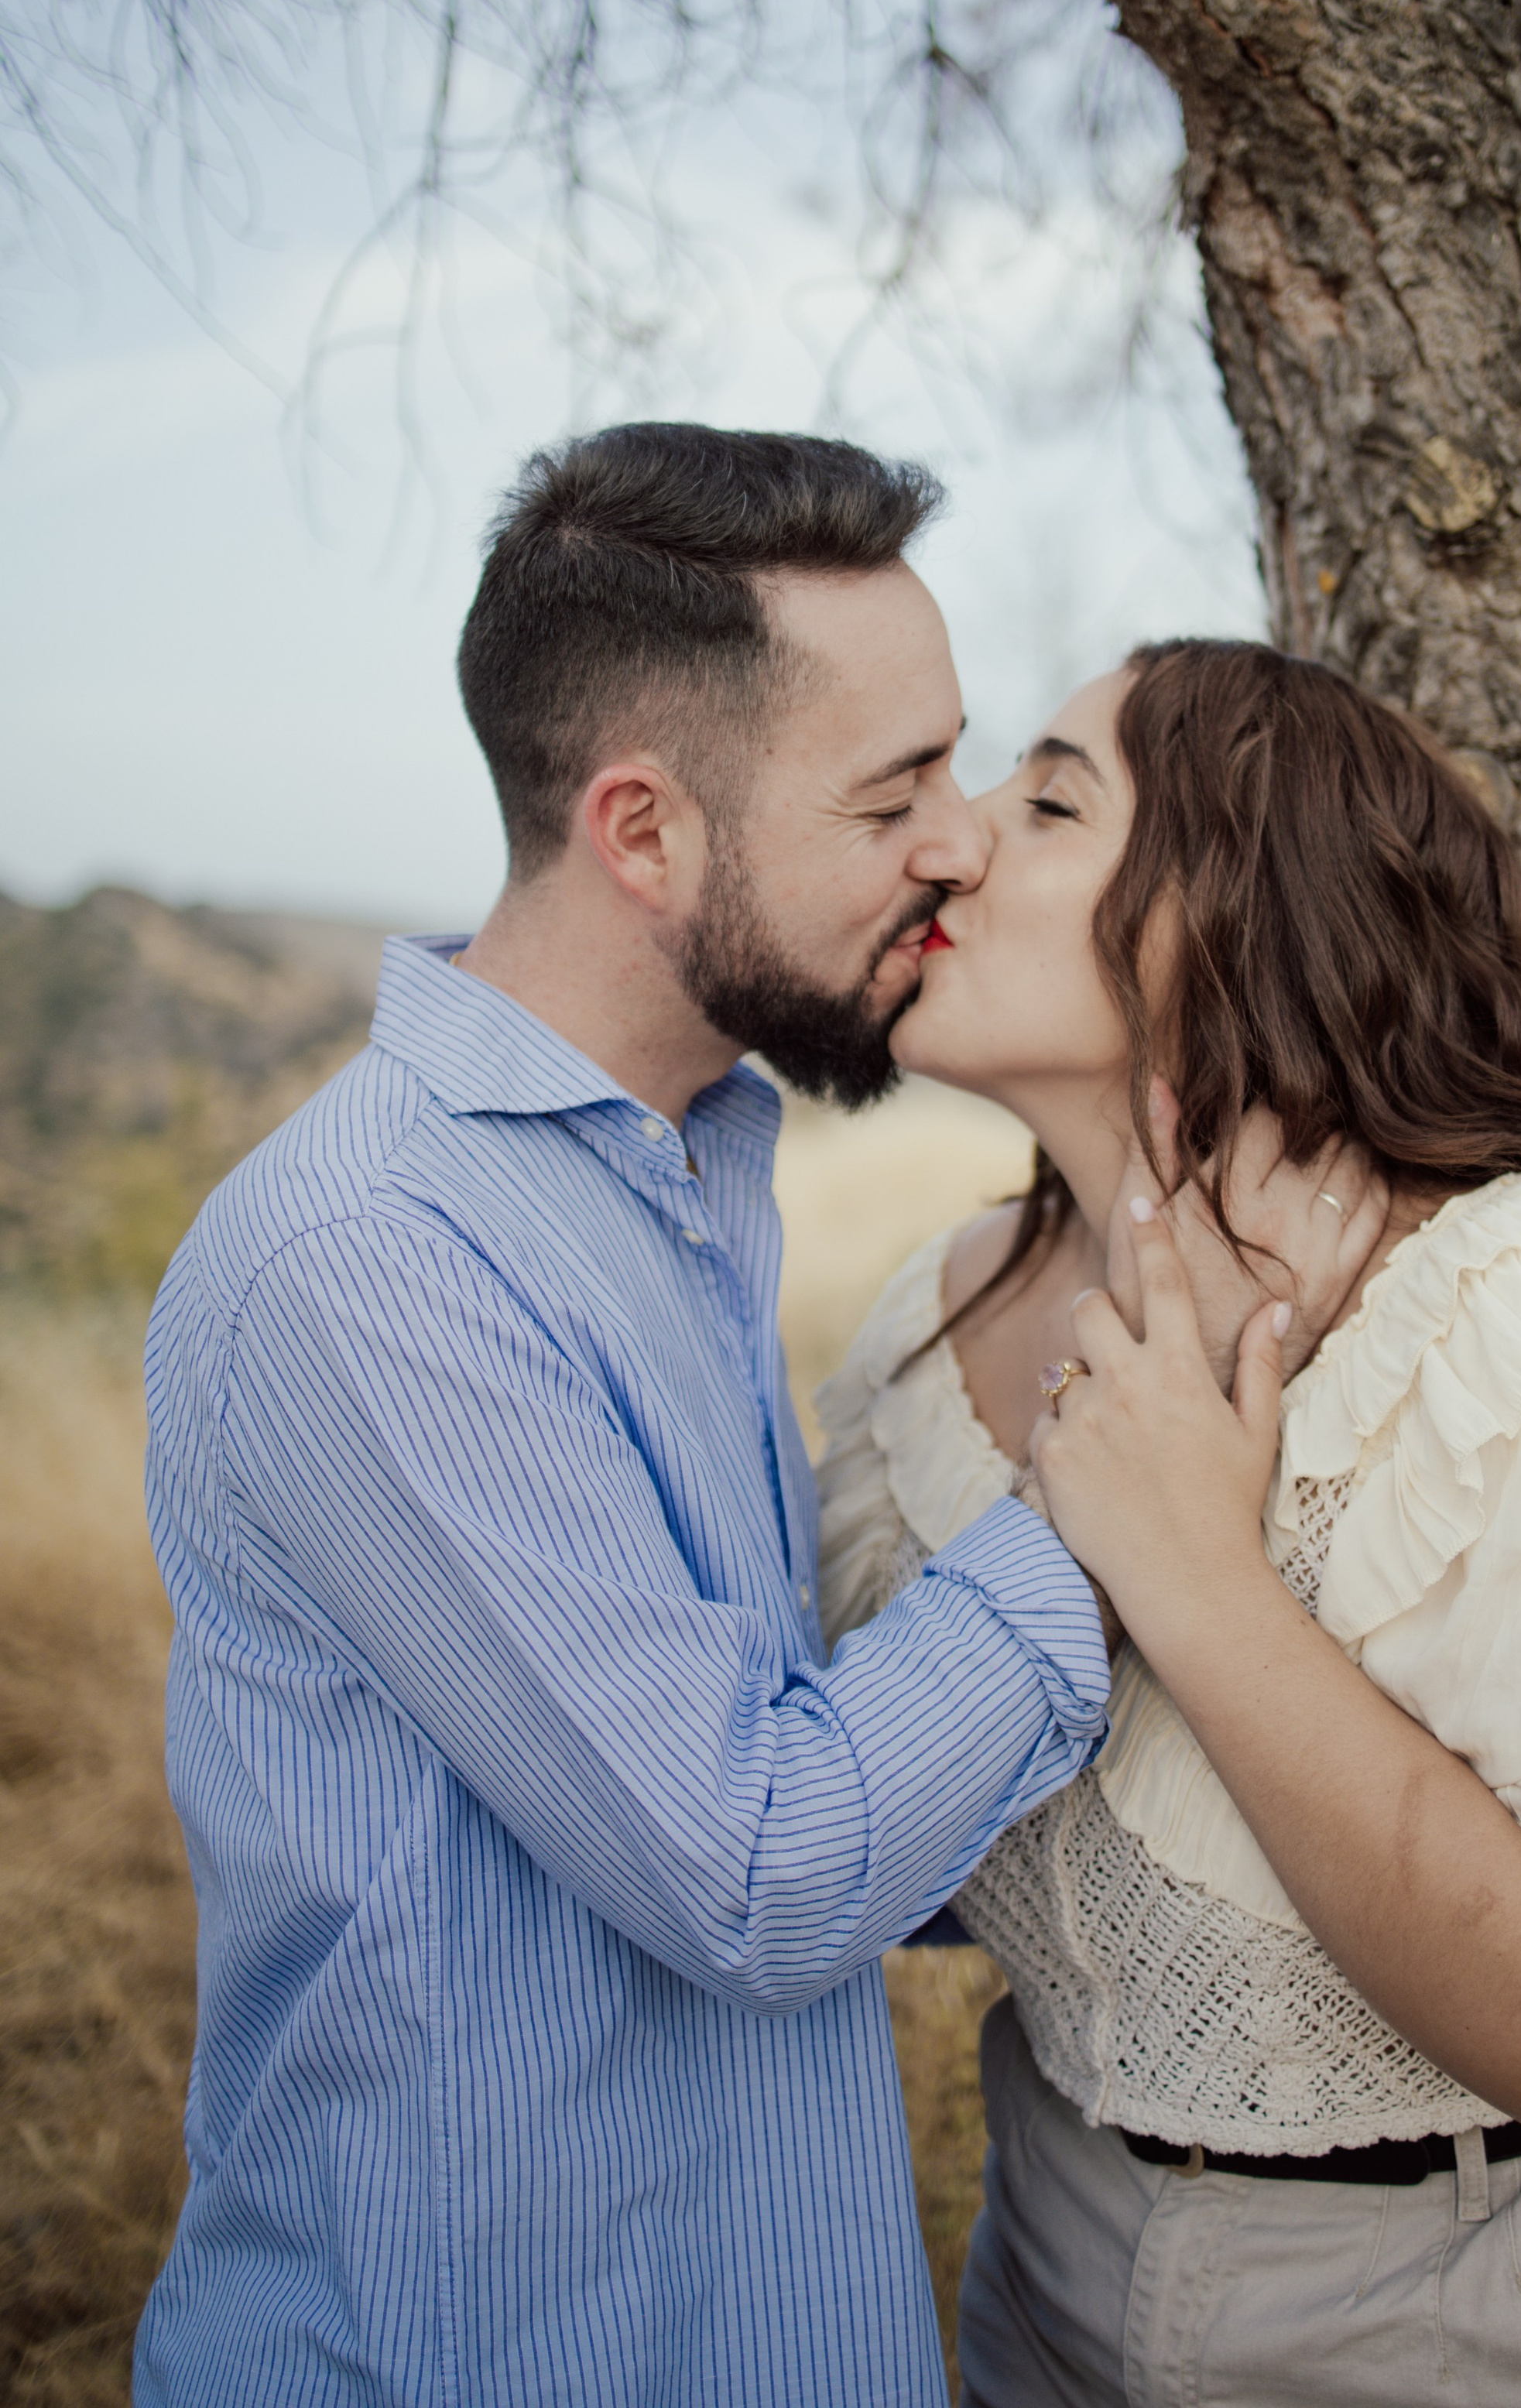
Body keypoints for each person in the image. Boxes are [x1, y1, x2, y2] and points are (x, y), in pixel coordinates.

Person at [136, 423, 1116, 2408]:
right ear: (643, 833)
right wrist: (1119, 1487)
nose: (957, 843)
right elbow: (762, 1868)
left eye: (956, 764)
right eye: (891, 792)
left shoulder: (681, 1170)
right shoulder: (376, 1261)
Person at [815, 636, 1521, 2407]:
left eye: (1050, 803)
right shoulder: (923, 1333)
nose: (950, 842)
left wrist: (1194, 1575)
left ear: (1247, 909)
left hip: (1503, 2306)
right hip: (1044, 2271)